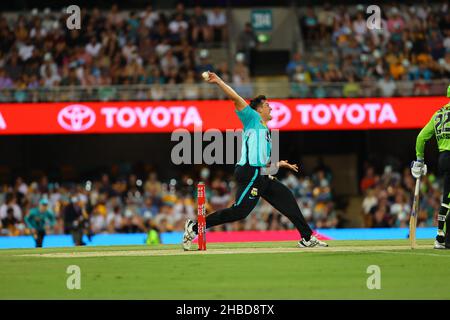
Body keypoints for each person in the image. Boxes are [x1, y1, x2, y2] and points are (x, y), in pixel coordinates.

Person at [182, 71, 328, 250]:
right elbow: (235, 98)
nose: (271, 108)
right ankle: (194, 227)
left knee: (287, 197)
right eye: (267, 105)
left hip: (260, 174)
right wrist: (218, 81)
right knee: (239, 211)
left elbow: (262, 162)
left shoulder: (266, 132)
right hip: (248, 172)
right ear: (258, 109)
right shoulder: (252, 118)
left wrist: (278, 165)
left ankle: (307, 237)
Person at [411, 85, 450, 249]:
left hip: (444, 157)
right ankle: (442, 239)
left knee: (447, 199)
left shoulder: (438, 114)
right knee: (448, 199)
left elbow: (421, 137)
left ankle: (442, 238)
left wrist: (419, 160)